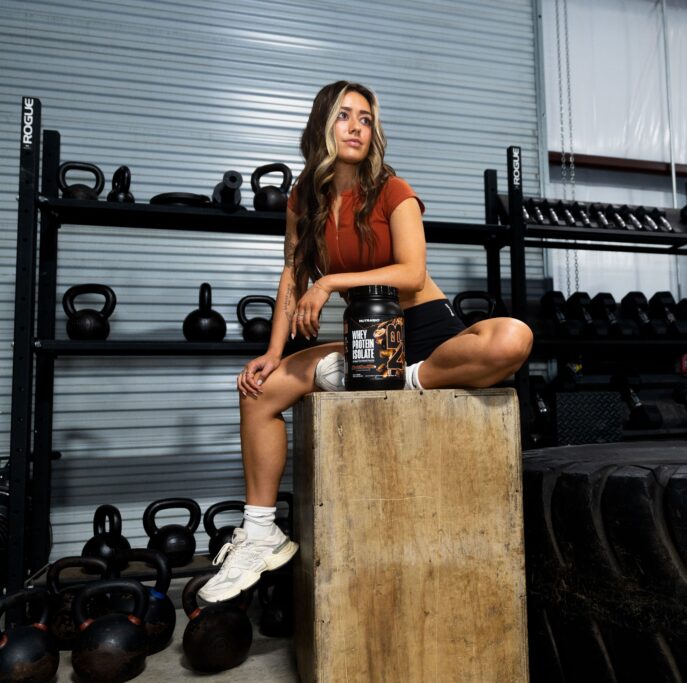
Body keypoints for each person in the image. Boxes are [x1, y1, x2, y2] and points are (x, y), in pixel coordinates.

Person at [199, 81, 533, 602]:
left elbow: (411, 272)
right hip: (364, 340)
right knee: (259, 392)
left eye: (366, 119)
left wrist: (330, 281)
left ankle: (406, 379)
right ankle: (261, 530)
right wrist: (272, 353)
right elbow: (291, 272)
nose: (357, 127)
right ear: (322, 126)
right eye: (344, 116)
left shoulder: (393, 190)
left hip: (423, 331)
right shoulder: (303, 197)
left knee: (513, 337)